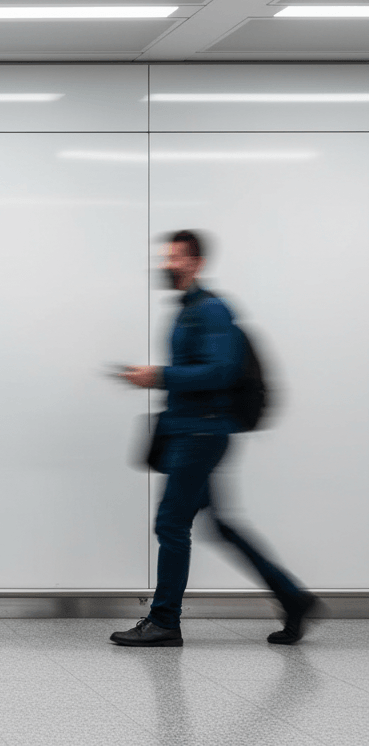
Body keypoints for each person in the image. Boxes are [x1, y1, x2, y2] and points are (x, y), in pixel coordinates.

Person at [111, 230, 318, 647]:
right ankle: (293, 599)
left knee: (171, 522)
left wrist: (159, 376)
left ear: (197, 263)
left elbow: (221, 371)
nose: (167, 264)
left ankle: (165, 620)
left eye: (176, 258)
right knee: (220, 525)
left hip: (203, 433)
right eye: (166, 257)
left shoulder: (211, 310)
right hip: (190, 430)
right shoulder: (188, 310)